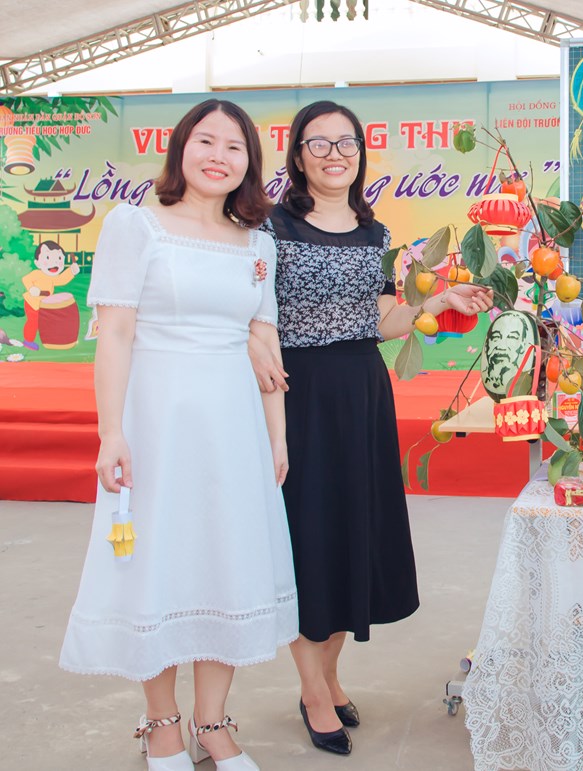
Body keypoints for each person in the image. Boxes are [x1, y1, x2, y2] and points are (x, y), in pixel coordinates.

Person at [59, 99, 298, 771]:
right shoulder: (135, 226)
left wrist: (276, 439)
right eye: (206, 141)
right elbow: (116, 334)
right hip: (156, 421)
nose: (219, 156)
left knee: (226, 562)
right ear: (180, 149)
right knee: (158, 564)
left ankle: (212, 721)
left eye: (235, 146)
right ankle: (161, 723)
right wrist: (111, 433)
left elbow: (265, 345)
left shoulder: (259, 244)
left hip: (234, 428)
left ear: (250, 163)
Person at [249, 100, 492, 755]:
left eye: (346, 143)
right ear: (297, 154)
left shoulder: (372, 231)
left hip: (361, 390)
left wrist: (436, 300)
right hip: (297, 393)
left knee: (352, 535)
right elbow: (251, 315)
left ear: (360, 153)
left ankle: (327, 678)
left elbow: (379, 321)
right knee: (310, 541)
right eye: (319, 143)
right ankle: (313, 690)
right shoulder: (271, 226)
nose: (335, 154)